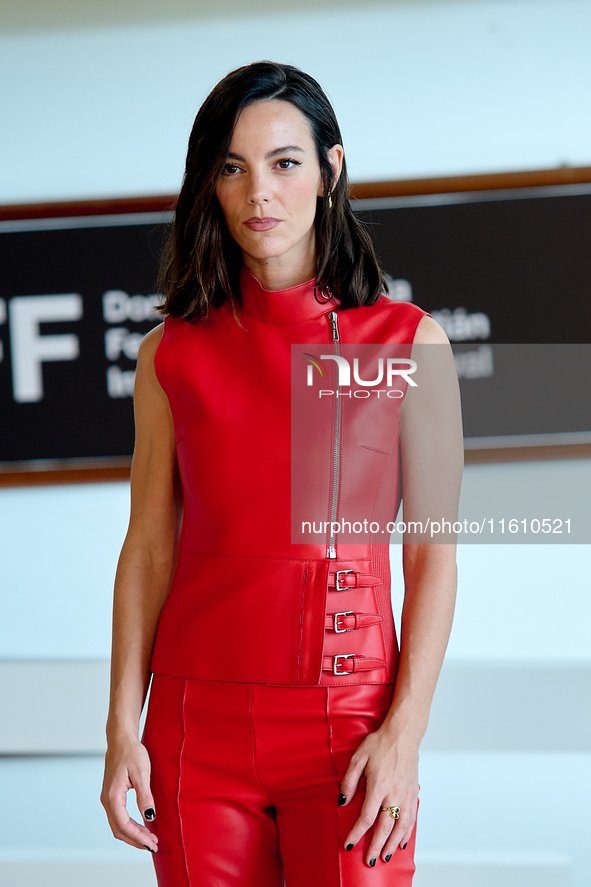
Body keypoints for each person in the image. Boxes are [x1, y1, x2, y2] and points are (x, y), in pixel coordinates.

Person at [100, 60, 463, 887]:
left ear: (331, 170)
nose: (258, 191)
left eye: (284, 162)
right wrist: (124, 724)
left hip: (348, 725)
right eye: (232, 167)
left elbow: (430, 554)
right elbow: (149, 548)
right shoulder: (169, 353)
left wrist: (404, 732)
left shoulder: (409, 344)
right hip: (195, 731)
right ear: (209, 185)